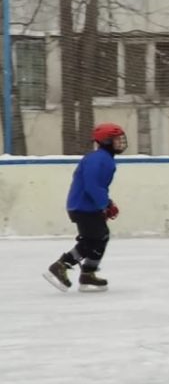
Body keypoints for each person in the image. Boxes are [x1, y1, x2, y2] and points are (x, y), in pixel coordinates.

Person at [43, 123, 127, 293]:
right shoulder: (98, 159)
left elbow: (97, 187)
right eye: (117, 139)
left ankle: (88, 274)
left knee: (100, 237)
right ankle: (60, 266)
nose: (121, 142)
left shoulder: (104, 158)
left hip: (86, 205)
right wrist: (104, 204)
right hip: (83, 206)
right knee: (93, 239)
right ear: (106, 141)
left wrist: (106, 203)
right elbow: (92, 186)